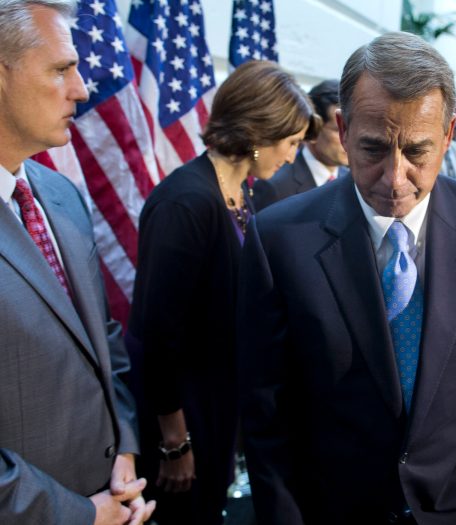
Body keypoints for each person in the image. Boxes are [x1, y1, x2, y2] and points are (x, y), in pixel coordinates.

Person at [238, 31, 456, 525]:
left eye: (418, 151)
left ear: (448, 136)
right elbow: (265, 403)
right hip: (332, 507)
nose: (394, 178)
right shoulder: (279, 237)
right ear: (342, 126)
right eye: (373, 148)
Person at [128, 60, 319, 525]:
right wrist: (175, 443)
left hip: (223, 402)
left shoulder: (245, 193)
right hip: (185, 412)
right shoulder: (186, 203)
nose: (293, 158)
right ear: (260, 132)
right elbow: (157, 334)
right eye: (291, 143)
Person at [0, 1, 153, 523]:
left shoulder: (60, 195)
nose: (82, 89)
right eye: (62, 69)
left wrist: (125, 452)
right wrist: (81, 514)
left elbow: (103, 339)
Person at [269, 79, 349, 202]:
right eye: (338, 130)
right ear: (313, 128)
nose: (349, 139)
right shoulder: (275, 186)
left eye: (352, 129)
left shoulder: (356, 182)